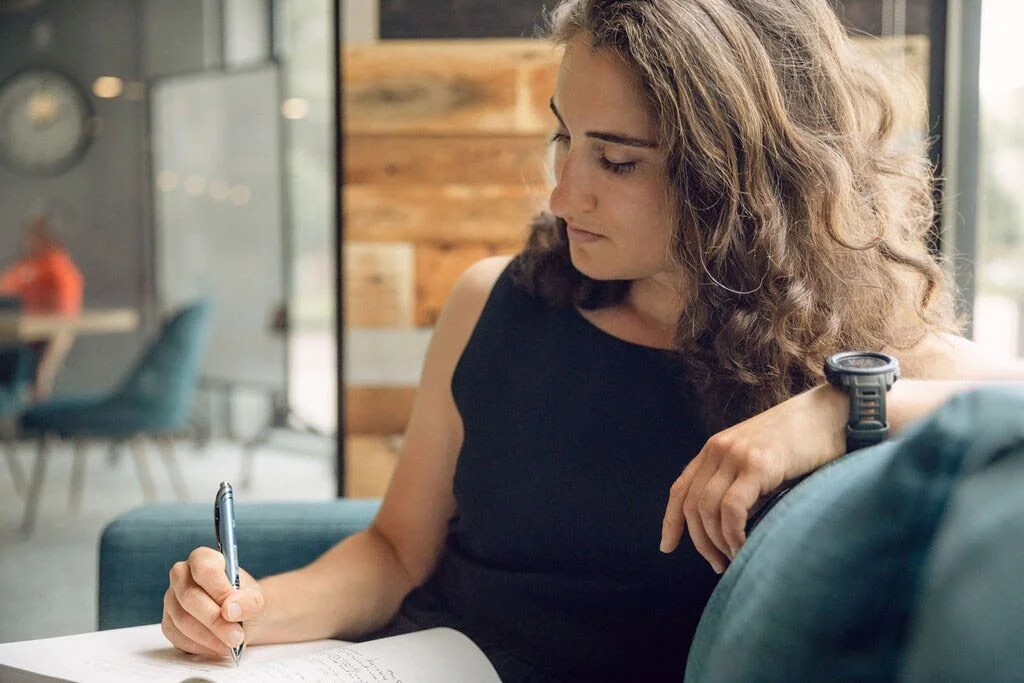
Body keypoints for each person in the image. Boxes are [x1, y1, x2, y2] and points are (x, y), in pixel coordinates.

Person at [161, 1, 1024, 681]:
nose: (565, 195)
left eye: (616, 162)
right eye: (563, 139)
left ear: (739, 179)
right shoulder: (490, 302)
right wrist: (253, 606)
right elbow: (394, 551)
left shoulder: (858, 356)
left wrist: (842, 407)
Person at [1, 210, 84, 316]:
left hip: (38, 328)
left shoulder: (57, 270)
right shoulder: (26, 265)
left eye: (35, 233)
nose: (28, 239)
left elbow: (60, 312)